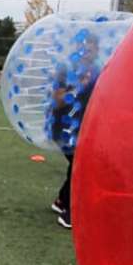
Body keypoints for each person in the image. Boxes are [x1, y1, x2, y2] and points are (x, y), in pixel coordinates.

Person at [49, 33, 101, 229]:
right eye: (84, 47)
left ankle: (62, 201)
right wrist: (79, 86)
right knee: (81, 166)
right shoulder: (66, 69)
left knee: (80, 164)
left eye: (92, 47)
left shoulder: (97, 69)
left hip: (83, 128)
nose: (88, 51)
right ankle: (69, 211)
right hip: (63, 127)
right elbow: (57, 100)